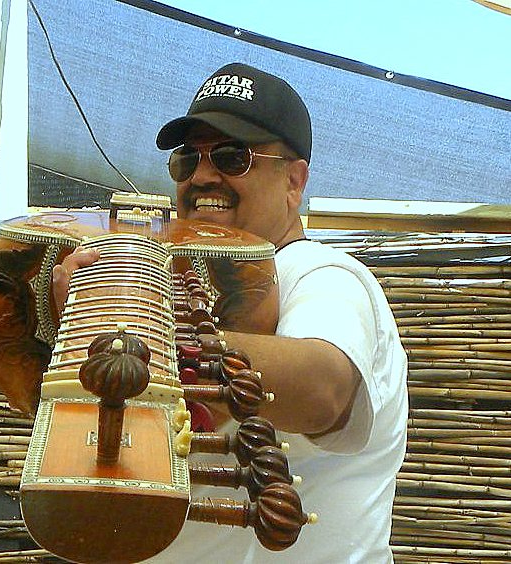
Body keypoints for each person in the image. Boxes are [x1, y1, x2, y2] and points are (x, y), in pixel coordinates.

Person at [54, 62, 408, 563]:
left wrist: (134, 325)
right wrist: (81, 323)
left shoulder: (320, 273)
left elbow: (324, 388)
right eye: (186, 160)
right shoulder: (182, 286)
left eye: (231, 156)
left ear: (294, 180)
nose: (201, 176)